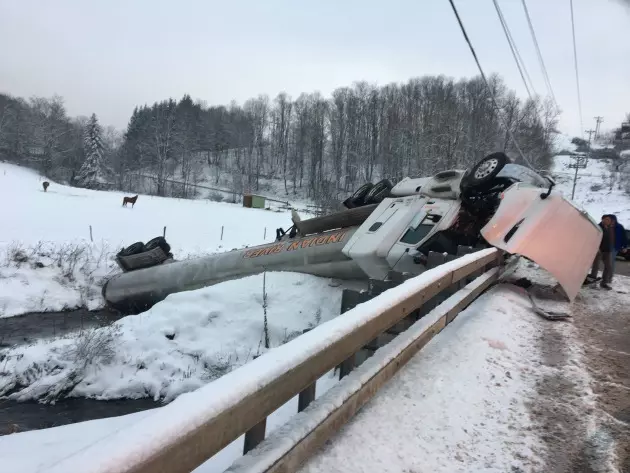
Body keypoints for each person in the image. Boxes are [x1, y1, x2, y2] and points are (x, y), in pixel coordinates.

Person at [588, 214, 615, 290]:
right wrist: (596, 248)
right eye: (606, 219)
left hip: (607, 250)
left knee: (608, 267)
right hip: (599, 250)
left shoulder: (610, 228)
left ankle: (604, 283)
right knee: (596, 266)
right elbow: (593, 238)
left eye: (609, 220)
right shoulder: (598, 227)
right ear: (602, 219)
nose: (608, 221)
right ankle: (592, 282)